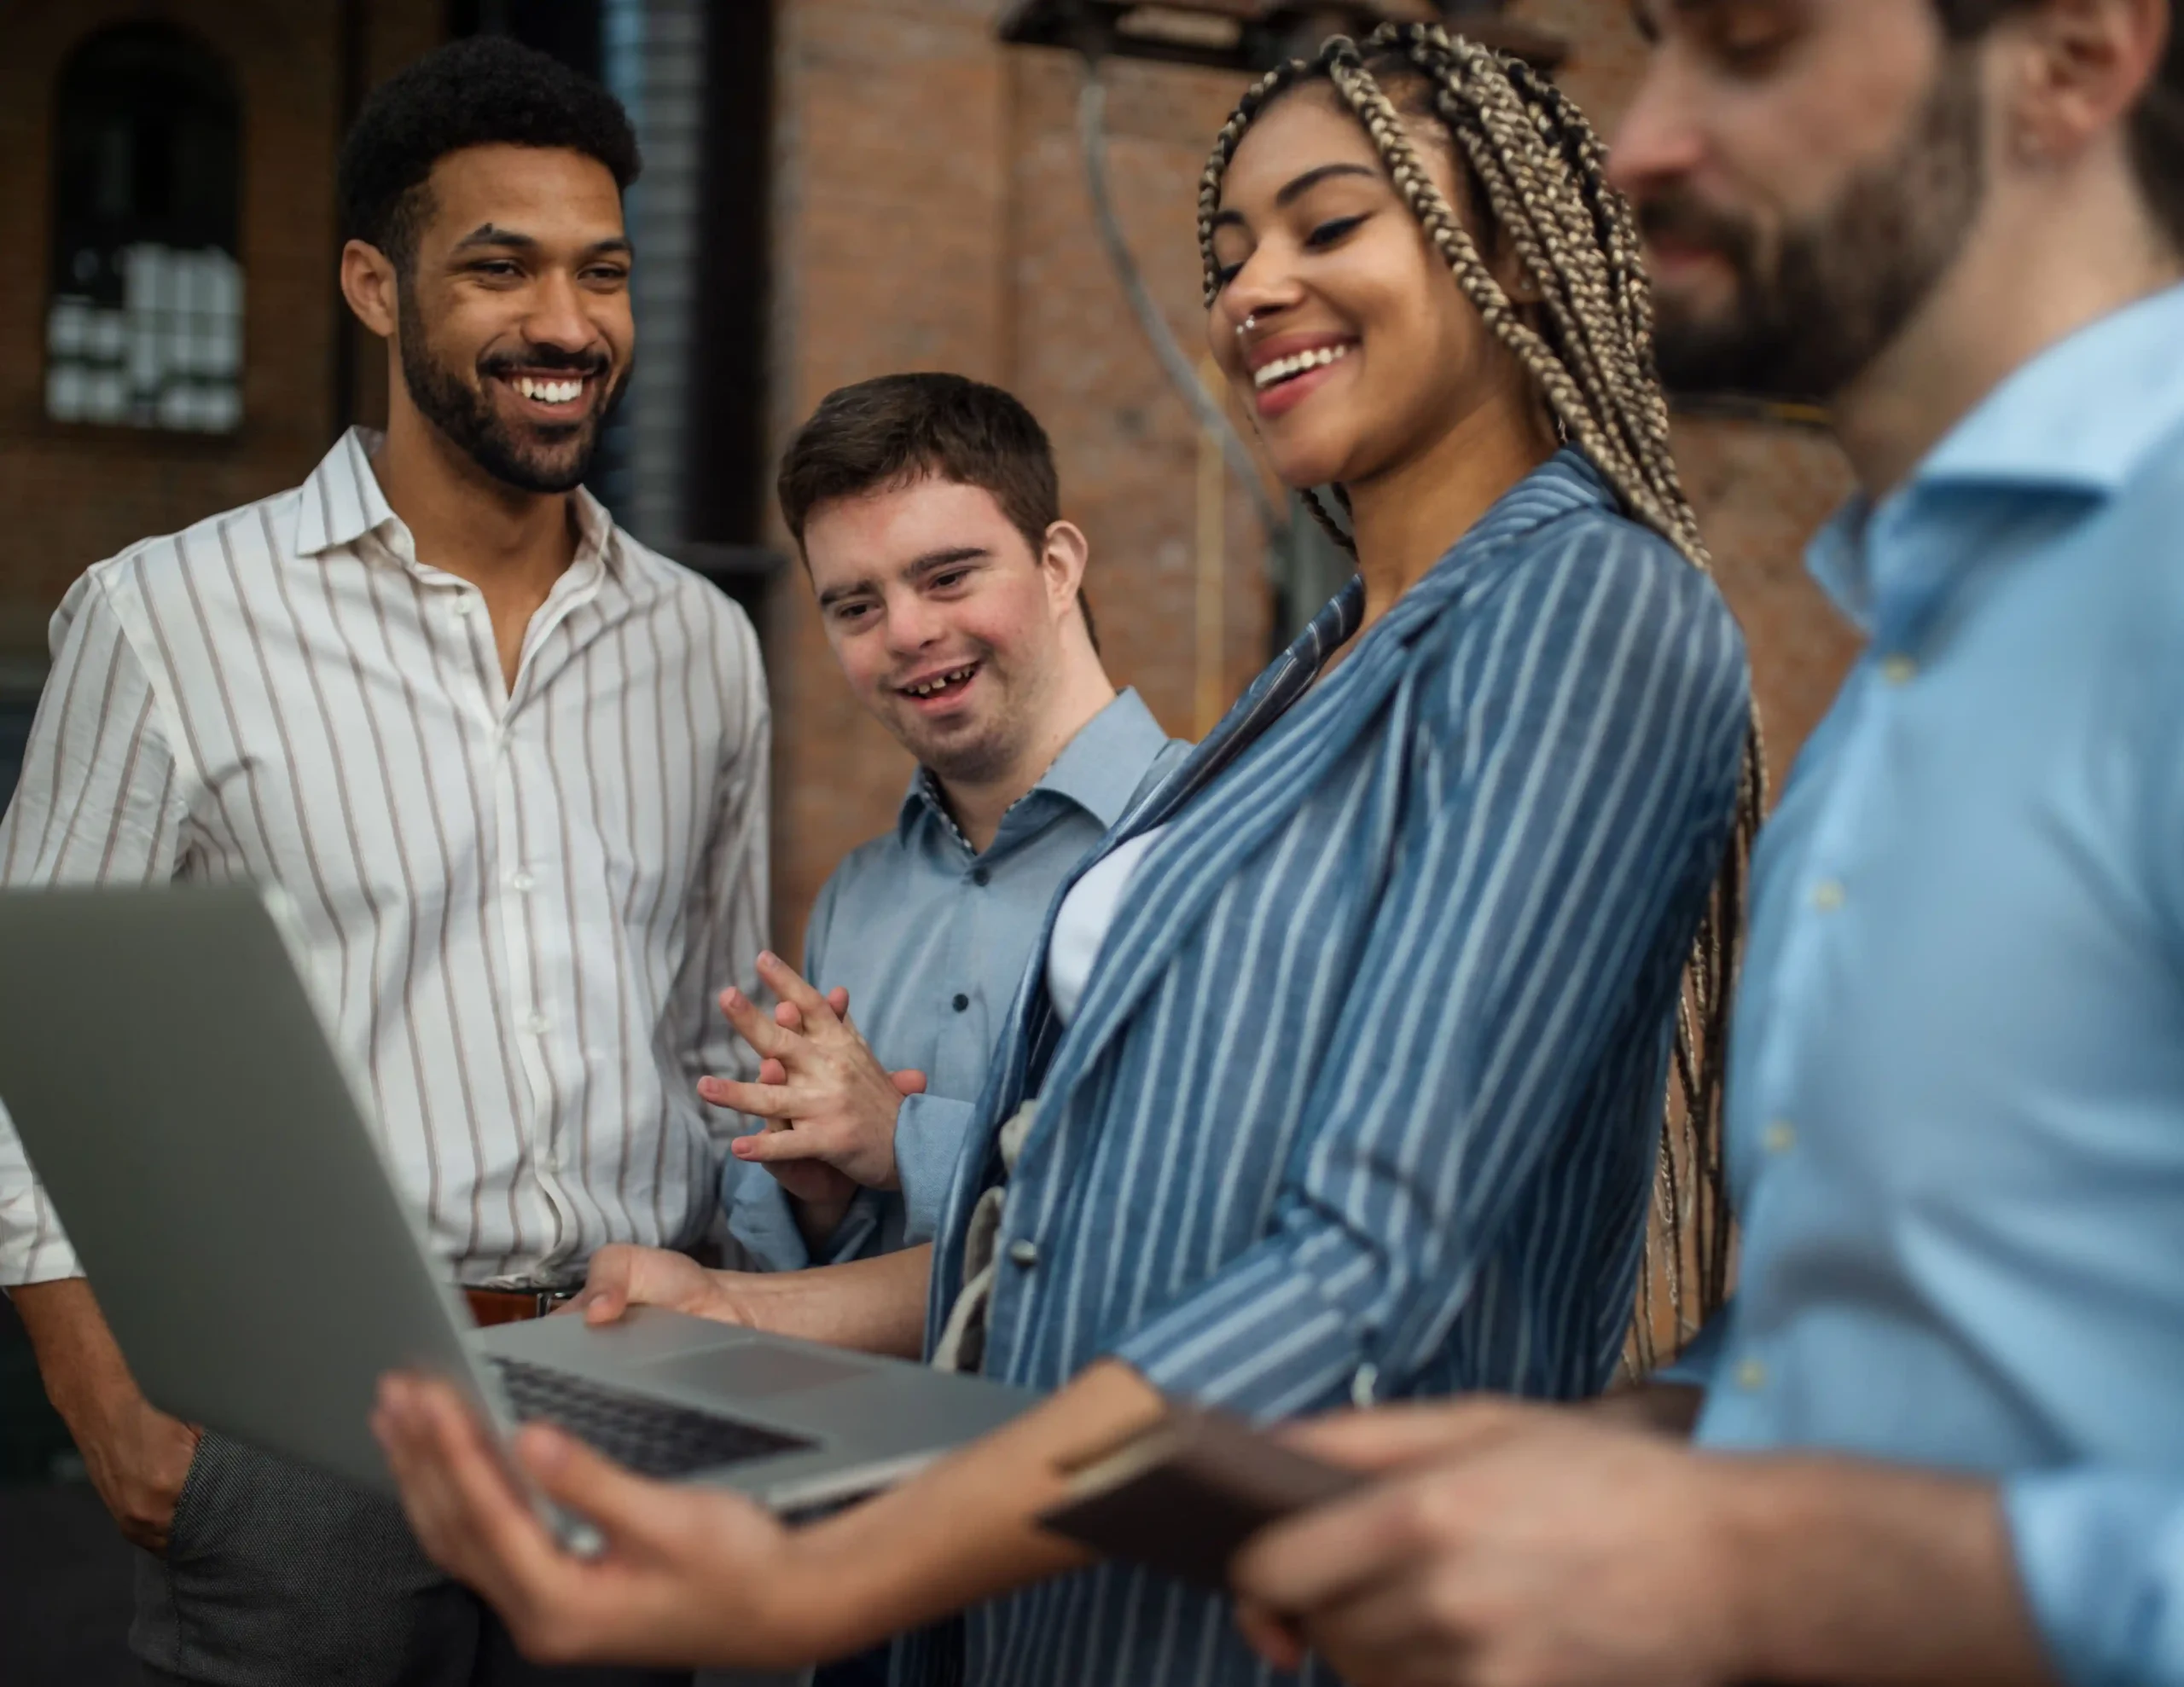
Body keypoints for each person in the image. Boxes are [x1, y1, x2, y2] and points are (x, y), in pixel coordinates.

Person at [370, 22, 1758, 1687]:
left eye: (1326, 226)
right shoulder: (1319, 666)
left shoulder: (1573, 607)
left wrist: (824, 1580)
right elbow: (1087, 1212)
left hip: (1273, 1616)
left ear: (1515, 257)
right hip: (1067, 1595)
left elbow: (1366, 1270)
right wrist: (754, 1326)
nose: (1250, 288)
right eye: (1229, 249)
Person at [1223, 3, 2184, 1685]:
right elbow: (1903, 1359)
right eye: (1653, 44)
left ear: (2073, 53)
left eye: (1749, 42)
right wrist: (1629, 1453)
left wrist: (1755, 1567)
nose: (1645, 135)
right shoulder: (1890, 682)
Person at [0, 38, 767, 1687]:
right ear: (373, 283)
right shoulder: (169, 617)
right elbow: (28, 1029)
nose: (567, 323)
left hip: (632, 1407)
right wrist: (104, 1397)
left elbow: (709, 1042)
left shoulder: (708, 648)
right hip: (303, 1435)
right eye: (501, 268)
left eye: (603, 273)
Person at [713, 373, 1187, 1272]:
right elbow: (770, 1259)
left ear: (1056, 567)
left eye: (947, 576)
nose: (905, 631)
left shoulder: (1220, 834)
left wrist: (906, 1144)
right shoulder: (857, 895)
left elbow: (1192, 1207)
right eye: (856, 605)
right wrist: (826, 1193)